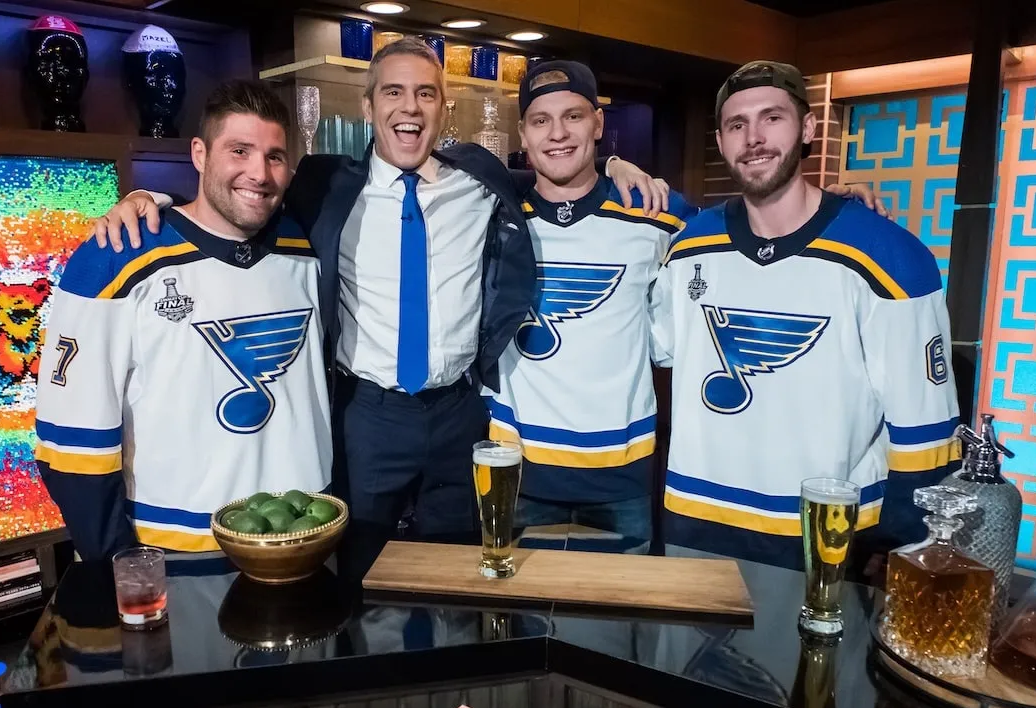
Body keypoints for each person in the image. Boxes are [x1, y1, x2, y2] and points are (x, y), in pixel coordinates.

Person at [91, 38, 668, 567]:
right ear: (368, 108)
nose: (409, 108)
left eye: (425, 93)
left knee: (455, 574)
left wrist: (615, 166)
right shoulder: (323, 184)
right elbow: (242, 199)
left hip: (460, 416)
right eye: (393, 92)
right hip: (366, 417)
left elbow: (556, 180)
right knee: (357, 571)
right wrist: (153, 200)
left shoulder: (482, 179)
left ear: (444, 109)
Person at [655, 61, 961, 570]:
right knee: (678, 652)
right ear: (721, 139)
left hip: (826, 530)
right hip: (695, 514)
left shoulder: (890, 255)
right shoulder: (689, 246)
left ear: (808, 128)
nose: (754, 137)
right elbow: (651, 342)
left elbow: (924, 427)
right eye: (737, 125)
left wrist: (898, 548)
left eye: (772, 118)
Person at [34, 79, 330, 560]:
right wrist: (121, 566)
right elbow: (70, 442)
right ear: (199, 153)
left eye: (275, 156)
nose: (259, 173)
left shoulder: (307, 244)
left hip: (309, 532)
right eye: (239, 150)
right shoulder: (113, 258)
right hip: (179, 547)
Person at [484, 61, 697, 554]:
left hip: (620, 476)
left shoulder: (653, 214)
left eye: (574, 117)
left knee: (618, 623)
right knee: (519, 624)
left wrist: (831, 203)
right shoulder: (495, 214)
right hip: (516, 472)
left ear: (599, 124)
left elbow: (752, 227)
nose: (557, 134)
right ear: (523, 133)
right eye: (541, 121)